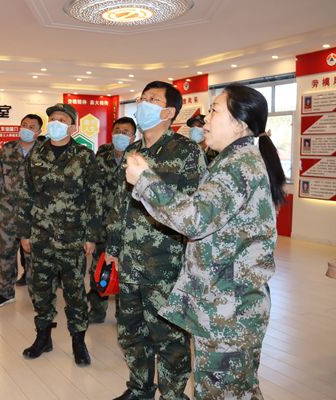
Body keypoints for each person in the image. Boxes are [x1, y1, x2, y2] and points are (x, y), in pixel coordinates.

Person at [124, 84, 286, 399]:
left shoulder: (237, 166)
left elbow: (195, 219)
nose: (206, 119)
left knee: (221, 391)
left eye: (214, 111)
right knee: (237, 389)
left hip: (229, 309)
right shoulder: (233, 160)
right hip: (226, 304)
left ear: (239, 123)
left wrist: (145, 181)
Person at [106, 81, 206, 400]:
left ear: (168, 112)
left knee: (169, 338)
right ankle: (140, 388)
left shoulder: (186, 152)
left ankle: (173, 395)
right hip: (130, 261)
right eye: (142, 98)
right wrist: (112, 248)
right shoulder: (133, 151)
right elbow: (120, 204)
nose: (143, 103)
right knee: (131, 331)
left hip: (167, 264)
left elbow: (195, 211)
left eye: (152, 99)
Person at [17, 103, 100, 366]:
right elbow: (25, 194)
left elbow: (94, 198)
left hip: (72, 237)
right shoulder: (36, 154)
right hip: (40, 235)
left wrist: (91, 236)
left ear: (73, 127)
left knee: (75, 292)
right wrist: (24, 232)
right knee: (41, 289)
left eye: (62, 120)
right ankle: (43, 337)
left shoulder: (84, 156)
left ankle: (78, 341)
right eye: (52, 118)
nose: (55, 122)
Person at [0, 114, 42, 307]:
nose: (27, 129)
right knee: (6, 253)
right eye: (24, 125)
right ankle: (5, 292)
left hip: (34, 213)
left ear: (39, 131)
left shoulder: (44, 151)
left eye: (32, 126)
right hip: (8, 211)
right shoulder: (8, 148)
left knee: (34, 256)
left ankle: (38, 296)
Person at [88, 116, 137, 323]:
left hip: (127, 225)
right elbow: (93, 191)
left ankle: (122, 315)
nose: (120, 135)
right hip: (102, 224)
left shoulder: (139, 158)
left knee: (123, 271)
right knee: (98, 269)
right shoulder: (102, 156)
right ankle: (97, 311)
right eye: (117, 131)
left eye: (126, 132)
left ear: (133, 136)